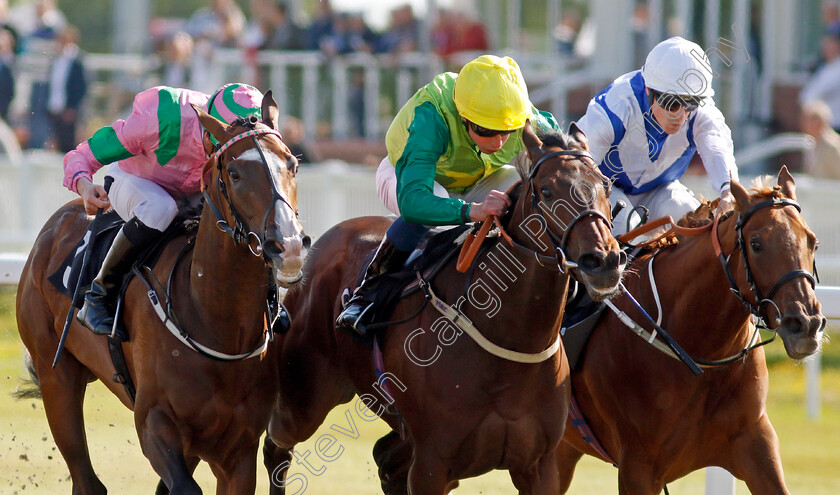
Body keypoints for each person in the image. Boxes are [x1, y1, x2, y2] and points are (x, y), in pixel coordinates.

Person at [336, 54, 560, 335]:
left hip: (478, 178)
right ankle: (367, 294)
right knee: (436, 208)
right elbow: (414, 202)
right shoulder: (432, 114)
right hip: (406, 179)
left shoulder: (523, 114)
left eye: (507, 130)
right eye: (487, 130)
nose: (499, 141)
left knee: (527, 188)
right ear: (464, 116)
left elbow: (565, 165)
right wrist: (470, 211)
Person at [63, 82, 265, 336]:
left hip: (191, 192)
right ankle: (98, 296)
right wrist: (83, 185)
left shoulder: (250, 128)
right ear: (209, 128)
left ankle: (267, 298)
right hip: (133, 181)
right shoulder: (161, 116)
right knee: (160, 208)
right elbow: (85, 154)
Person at [577, 36, 738, 236]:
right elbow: (576, 170)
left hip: (659, 191)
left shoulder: (702, 112)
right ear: (648, 90)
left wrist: (728, 192)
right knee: (625, 221)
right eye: (672, 103)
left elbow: (717, 147)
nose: (680, 115)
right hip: (604, 188)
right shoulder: (614, 107)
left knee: (691, 218)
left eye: (691, 103)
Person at [47, 25, 87, 153]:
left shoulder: (76, 60)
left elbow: (81, 86)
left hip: (69, 110)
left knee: (70, 144)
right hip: (56, 108)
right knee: (58, 142)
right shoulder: (57, 59)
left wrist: (73, 107)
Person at [800, 27, 840, 132]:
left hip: (834, 127)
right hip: (824, 128)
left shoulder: (836, 69)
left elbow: (813, 97)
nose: (825, 46)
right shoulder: (826, 67)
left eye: (830, 42)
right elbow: (806, 96)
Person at [800, 99, 840, 180]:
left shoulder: (831, 146)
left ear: (819, 121)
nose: (803, 123)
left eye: (808, 120)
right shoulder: (811, 143)